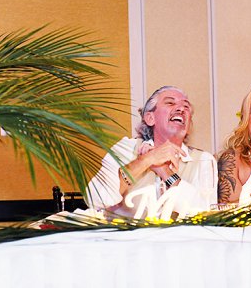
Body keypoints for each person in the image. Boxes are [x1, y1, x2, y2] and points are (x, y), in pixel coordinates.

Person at [85, 86, 217, 210]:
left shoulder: (203, 160)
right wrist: (145, 160)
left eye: (186, 107)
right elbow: (95, 200)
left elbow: (205, 211)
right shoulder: (126, 148)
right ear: (150, 118)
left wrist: (164, 171)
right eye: (170, 103)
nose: (181, 109)